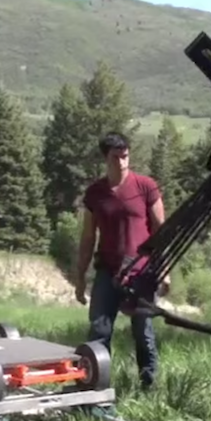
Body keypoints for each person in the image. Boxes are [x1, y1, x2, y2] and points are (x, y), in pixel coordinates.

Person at [74, 132, 166, 390]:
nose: (122, 163)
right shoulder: (95, 193)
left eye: (126, 156)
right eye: (116, 157)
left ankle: (149, 387)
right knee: (99, 331)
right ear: (106, 158)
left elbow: (162, 230)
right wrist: (80, 278)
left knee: (143, 332)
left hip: (141, 272)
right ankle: (95, 387)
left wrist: (164, 270)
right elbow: (88, 236)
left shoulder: (146, 186)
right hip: (107, 270)